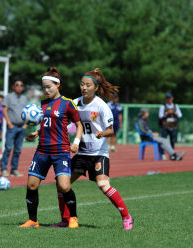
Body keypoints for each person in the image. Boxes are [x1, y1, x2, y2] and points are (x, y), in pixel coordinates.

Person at [51, 68, 134, 230]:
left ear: (96, 87)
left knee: (103, 185)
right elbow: (62, 119)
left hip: (98, 154)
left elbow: (112, 130)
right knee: (61, 184)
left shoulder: (101, 106)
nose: (84, 88)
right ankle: (65, 219)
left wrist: (102, 132)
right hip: (82, 154)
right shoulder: (74, 103)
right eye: (82, 84)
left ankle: (126, 217)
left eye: (88, 85)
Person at [19, 67, 83, 228]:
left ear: (58, 85)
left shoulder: (67, 104)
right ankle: (33, 220)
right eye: (44, 87)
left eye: (49, 87)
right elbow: (47, 125)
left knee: (64, 186)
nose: (46, 90)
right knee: (31, 185)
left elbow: (79, 125)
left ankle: (73, 218)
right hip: (42, 150)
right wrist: (35, 133)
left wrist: (76, 142)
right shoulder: (42, 104)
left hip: (60, 151)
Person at [0, 80, 28, 177]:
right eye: (17, 85)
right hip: (12, 126)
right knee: (8, 148)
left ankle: (14, 169)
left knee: (18, 150)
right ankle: (4, 169)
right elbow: (4, 110)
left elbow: (28, 112)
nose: (19, 87)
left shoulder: (24, 98)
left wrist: (26, 124)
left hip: (22, 127)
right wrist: (9, 123)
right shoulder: (8, 97)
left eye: (21, 85)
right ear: (13, 87)